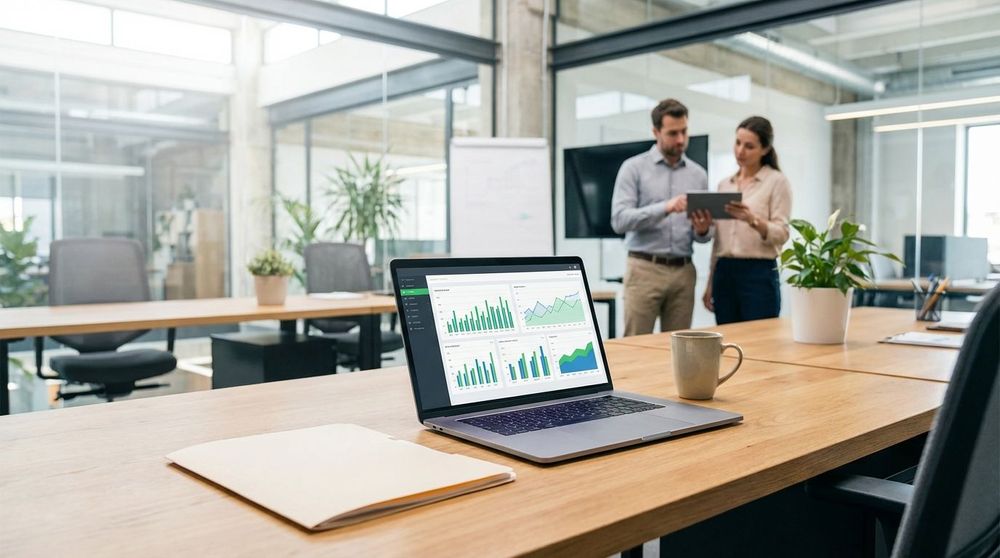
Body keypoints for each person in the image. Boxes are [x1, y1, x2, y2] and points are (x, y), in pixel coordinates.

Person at [611, 98, 712, 336]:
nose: (680, 139)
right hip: (644, 270)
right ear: (656, 132)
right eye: (673, 133)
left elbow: (704, 238)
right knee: (636, 345)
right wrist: (665, 208)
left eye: (684, 131)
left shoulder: (698, 175)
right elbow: (619, 220)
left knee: (680, 348)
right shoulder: (633, 168)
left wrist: (702, 230)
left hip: (683, 272)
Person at [701, 116, 791, 325]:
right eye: (738, 143)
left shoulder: (777, 182)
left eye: (749, 146)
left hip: (758, 272)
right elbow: (719, 242)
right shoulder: (725, 185)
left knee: (760, 338)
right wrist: (710, 283)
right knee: (727, 337)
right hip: (724, 271)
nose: (740, 151)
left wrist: (753, 220)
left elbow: (782, 234)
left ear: (765, 149)